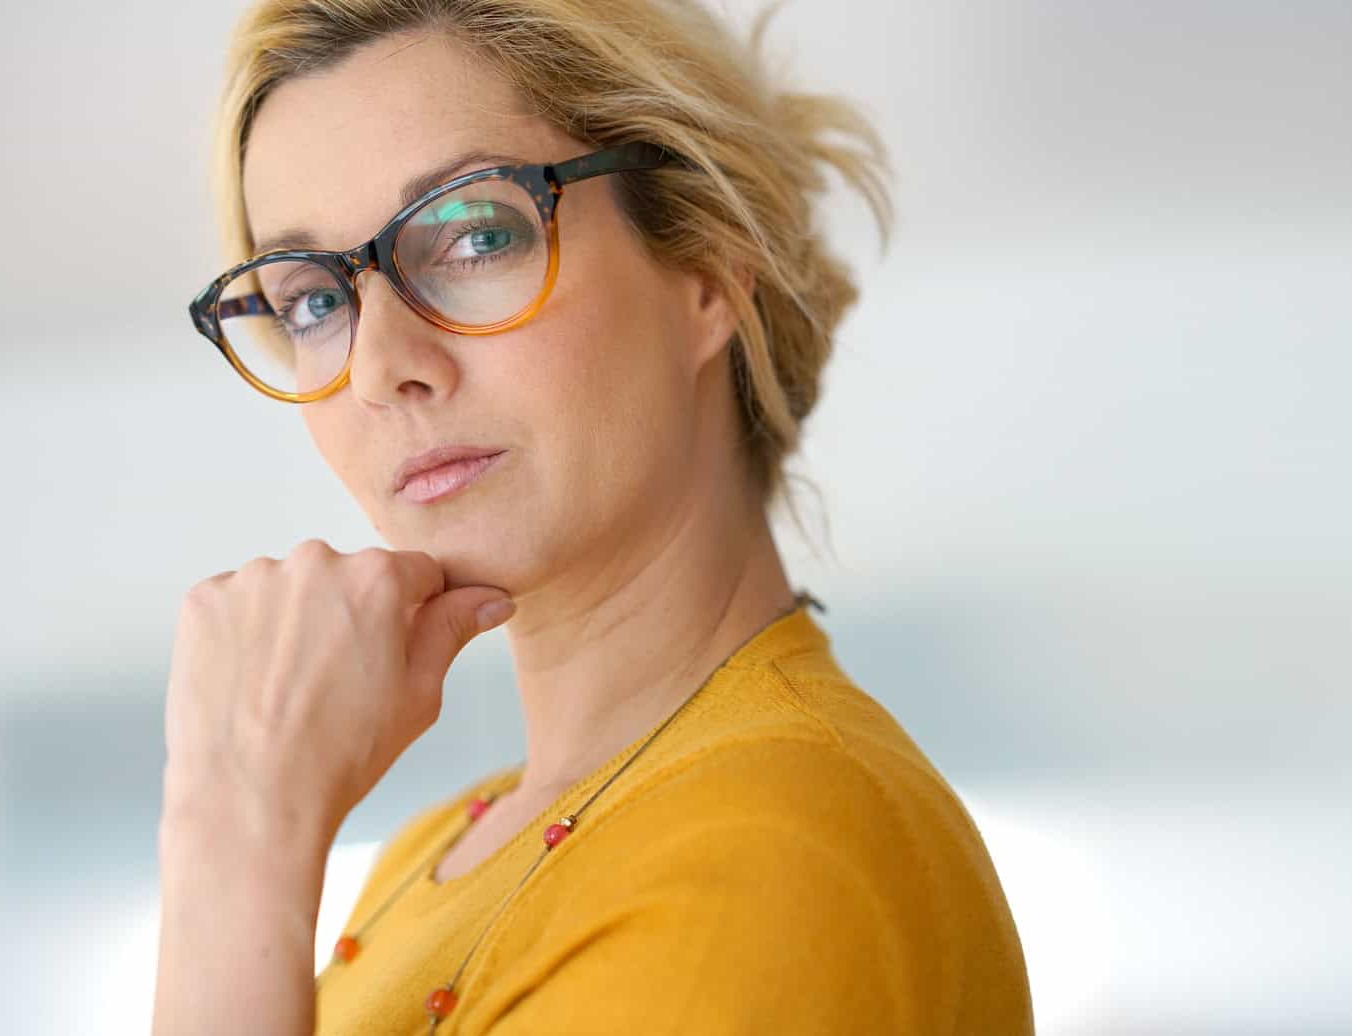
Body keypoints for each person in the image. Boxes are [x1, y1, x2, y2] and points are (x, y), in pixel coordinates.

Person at [154, 1, 1032, 1032]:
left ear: (705, 269)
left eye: (477, 235)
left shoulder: (774, 837)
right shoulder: (430, 850)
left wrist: (233, 847)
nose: (382, 366)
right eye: (313, 300)